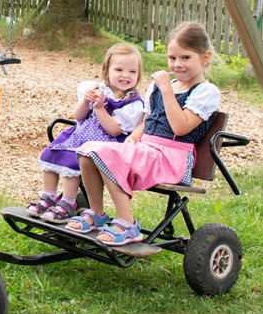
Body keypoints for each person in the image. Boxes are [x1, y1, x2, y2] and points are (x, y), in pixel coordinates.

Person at [70, 22, 221, 246]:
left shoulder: (206, 92)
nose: (177, 64)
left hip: (172, 159)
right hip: (147, 149)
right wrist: (133, 138)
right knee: (89, 150)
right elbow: (148, 121)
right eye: (172, 58)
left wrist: (167, 89)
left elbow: (181, 127)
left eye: (185, 58)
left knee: (107, 156)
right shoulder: (159, 87)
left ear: (205, 57)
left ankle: (127, 223)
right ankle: (97, 212)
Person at [27, 43, 144, 225]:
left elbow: (114, 130)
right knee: (52, 152)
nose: (125, 75)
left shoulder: (131, 103)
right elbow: (79, 116)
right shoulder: (97, 88)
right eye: (119, 69)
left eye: (132, 72)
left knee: (72, 161)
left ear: (138, 75)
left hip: (106, 144)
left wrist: (99, 108)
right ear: (107, 71)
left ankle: (68, 202)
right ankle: (48, 196)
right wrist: (85, 101)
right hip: (81, 135)